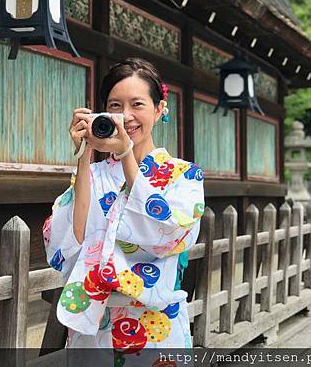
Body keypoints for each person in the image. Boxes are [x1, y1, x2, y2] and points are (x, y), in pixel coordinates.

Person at [42, 58, 204, 363]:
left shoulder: (184, 175)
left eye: (137, 104)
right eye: (115, 106)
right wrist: (84, 155)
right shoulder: (93, 175)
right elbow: (68, 243)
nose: (125, 116)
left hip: (155, 328)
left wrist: (127, 154)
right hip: (94, 330)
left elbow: (166, 235)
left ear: (159, 110)